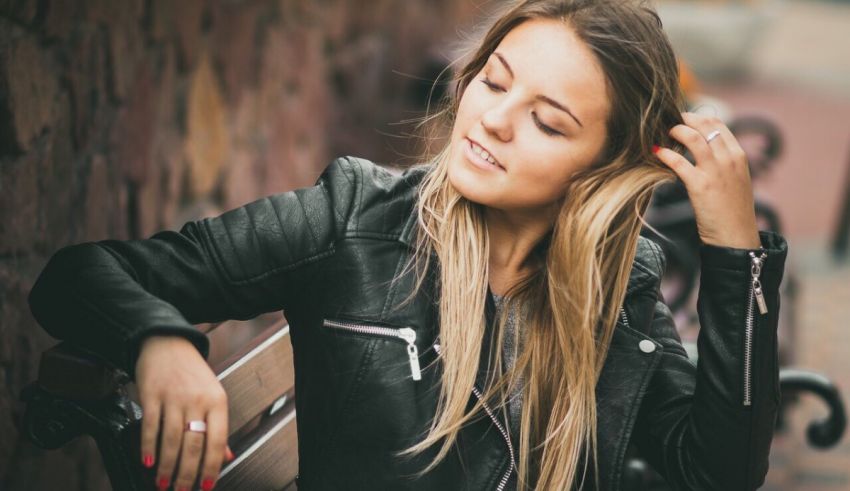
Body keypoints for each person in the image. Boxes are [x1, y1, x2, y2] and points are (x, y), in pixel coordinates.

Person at [28, 0, 788, 490]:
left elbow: (716, 466)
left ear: (603, 170)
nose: (491, 119)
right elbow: (80, 275)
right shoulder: (357, 220)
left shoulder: (613, 289)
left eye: (548, 122)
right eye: (494, 82)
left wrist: (735, 255)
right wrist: (163, 342)